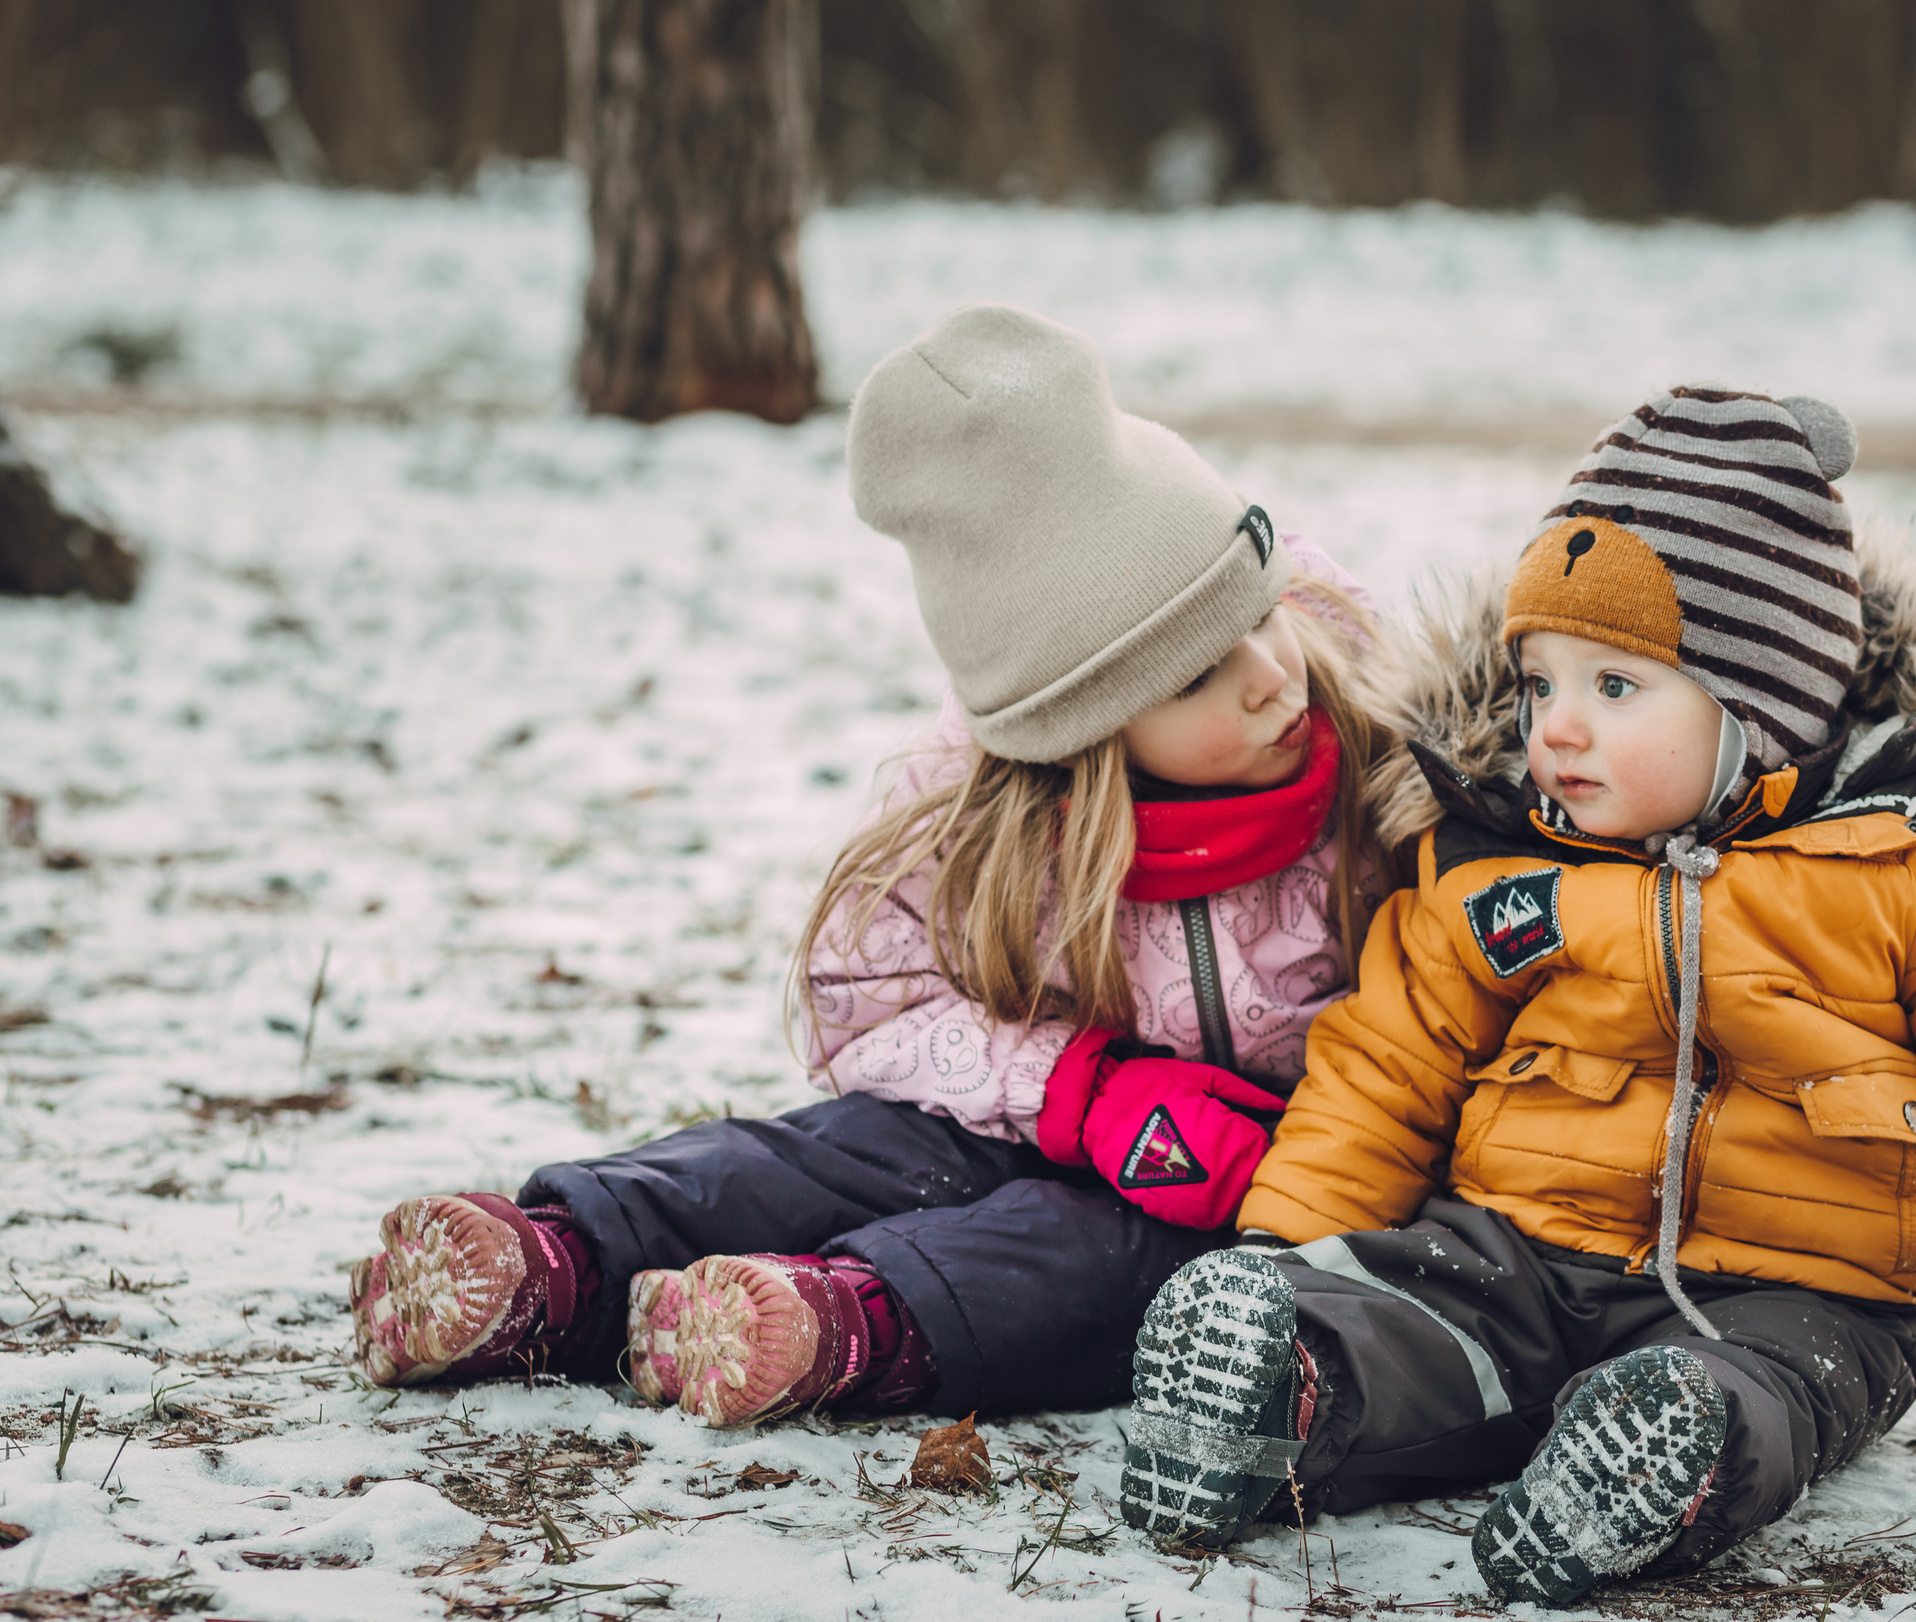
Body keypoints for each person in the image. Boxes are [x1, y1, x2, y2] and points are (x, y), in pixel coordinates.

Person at [1116, 386, 1916, 1607]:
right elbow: (1383, 1071)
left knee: (1776, 1389)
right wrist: (1293, 1254)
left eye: (1615, 689)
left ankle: (1662, 1462)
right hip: (1520, 1251)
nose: (1556, 727)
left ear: (1758, 707)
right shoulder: (1493, 853)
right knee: (1419, 1307)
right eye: (1540, 682)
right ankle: (1278, 1380)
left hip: (1803, 1287)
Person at [347, 304, 1416, 1428]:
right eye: (1195, 676)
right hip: (1025, 1112)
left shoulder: (1388, 749)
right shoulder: (977, 811)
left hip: (1258, 1180)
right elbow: (865, 1007)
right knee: (850, 1151)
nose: (1267, 676)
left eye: (1259, 617)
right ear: (1082, 732)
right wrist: (1080, 1092)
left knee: (1096, 1256)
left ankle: (841, 1322)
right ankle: (554, 1265)